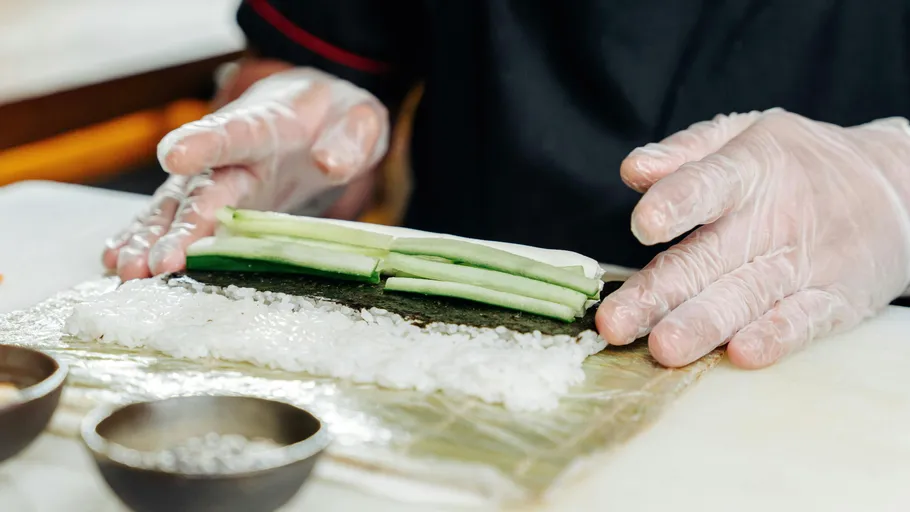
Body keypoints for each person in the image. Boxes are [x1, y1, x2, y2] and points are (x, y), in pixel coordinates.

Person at [102, 1, 910, 370]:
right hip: (434, 352)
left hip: (834, 363)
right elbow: (320, 55)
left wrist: (893, 183)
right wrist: (300, 148)